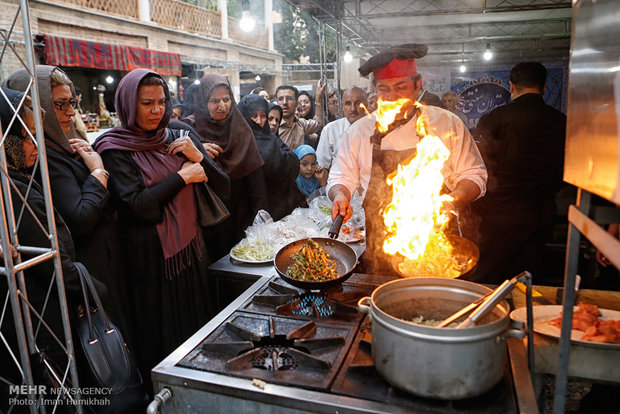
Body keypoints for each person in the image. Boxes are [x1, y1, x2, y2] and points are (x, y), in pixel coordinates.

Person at [93, 69, 230, 381]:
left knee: (197, 331)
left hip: (192, 253)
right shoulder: (113, 149)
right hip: (149, 264)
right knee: (163, 339)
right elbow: (135, 206)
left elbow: (223, 188)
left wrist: (200, 157)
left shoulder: (176, 134)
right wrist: (181, 177)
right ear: (128, 105)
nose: (156, 110)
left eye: (161, 101)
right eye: (146, 103)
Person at [328, 43, 487, 274]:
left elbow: (474, 175)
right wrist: (341, 194)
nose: (392, 97)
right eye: (384, 89)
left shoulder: (447, 124)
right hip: (380, 248)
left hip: (437, 242)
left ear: (418, 84)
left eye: (401, 87)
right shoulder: (360, 131)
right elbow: (340, 177)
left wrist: (452, 200)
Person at [0, 88, 108, 412]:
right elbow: (54, 266)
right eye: (28, 135)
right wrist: (99, 292)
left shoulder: (20, 179)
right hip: (38, 325)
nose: (37, 145)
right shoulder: (14, 195)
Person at [3, 66, 128, 330]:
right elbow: (79, 220)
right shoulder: (39, 161)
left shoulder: (61, 147)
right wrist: (97, 172)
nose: (71, 111)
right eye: (60, 105)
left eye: (72, 102)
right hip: (79, 282)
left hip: (95, 272)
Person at [469, 61, 566, 284]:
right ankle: (520, 316)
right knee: (526, 278)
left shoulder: (494, 118)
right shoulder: (562, 121)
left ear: (511, 86)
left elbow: (477, 163)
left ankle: (483, 317)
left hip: (500, 213)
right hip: (543, 211)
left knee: (487, 276)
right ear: (543, 86)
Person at [184, 73, 267, 258]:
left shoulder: (241, 129)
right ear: (203, 102)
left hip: (240, 216)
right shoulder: (189, 129)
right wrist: (198, 147)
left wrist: (260, 223)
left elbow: (256, 183)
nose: (222, 106)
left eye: (226, 99)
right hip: (205, 221)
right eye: (214, 101)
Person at [238, 94, 304, 220]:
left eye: (263, 116)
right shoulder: (238, 142)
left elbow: (293, 166)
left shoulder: (272, 139)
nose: (258, 121)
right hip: (248, 212)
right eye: (254, 115)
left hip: (280, 208)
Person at [316, 87, 367, 171]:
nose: (353, 109)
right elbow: (321, 166)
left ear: (366, 105)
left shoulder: (376, 129)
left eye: (358, 103)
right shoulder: (330, 130)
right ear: (342, 106)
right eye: (348, 104)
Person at [276, 79, 326, 151]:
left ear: (297, 103)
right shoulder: (273, 127)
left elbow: (318, 124)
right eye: (280, 99)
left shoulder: (301, 124)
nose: (284, 102)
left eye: (289, 98)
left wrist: (318, 98)